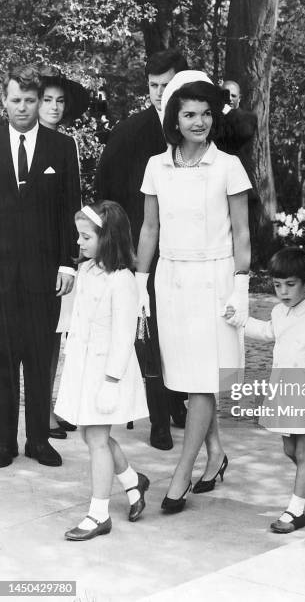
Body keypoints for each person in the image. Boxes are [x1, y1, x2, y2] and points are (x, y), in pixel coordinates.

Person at [136, 76, 251, 513]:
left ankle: (181, 473)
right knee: (187, 378)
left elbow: (242, 232)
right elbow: (150, 228)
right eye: (189, 114)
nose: (199, 122)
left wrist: (241, 285)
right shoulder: (156, 166)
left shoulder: (228, 166)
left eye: (206, 113)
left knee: (204, 382)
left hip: (216, 280)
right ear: (175, 120)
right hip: (171, 280)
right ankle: (216, 453)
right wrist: (138, 283)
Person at [95, 48, 189, 450]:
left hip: (187, 250)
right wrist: (117, 250)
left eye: (167, 86)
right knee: (146, 332)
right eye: (152, 86)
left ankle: (177, 401)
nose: (158, 93)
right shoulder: (130, 131)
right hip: (141, 251)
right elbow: (105, 193)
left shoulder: (196, 128)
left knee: (179, 330)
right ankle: (158, 421)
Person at [226, 247, 305, 533]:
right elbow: (268, 332)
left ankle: (295, 512)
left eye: (290, 284)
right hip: (286, 390)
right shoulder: (278, 311)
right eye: (277, 285)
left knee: (304, 453)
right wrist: (237, 319)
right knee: (290, 449)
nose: (283, 291)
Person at [0, 65, 80, 468]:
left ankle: (37, 439)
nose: (23, 108)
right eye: (16, 100)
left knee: (39, 355)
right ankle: (3, 442)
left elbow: (71, 208)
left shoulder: (61, 147)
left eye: (31, 100)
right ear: (5, 99)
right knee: (1, 356)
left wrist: (69, 264)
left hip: (45, 272)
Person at [55, 201, 150, 541]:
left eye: (85, 237)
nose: (78, 243)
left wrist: (111, 381)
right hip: (84, 366)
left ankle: (98, 514)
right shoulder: (88, 270)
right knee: (90, 434)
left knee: (96, 438)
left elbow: (124, 336)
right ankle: (131, 481)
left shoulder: (123, 280)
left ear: (107, 238)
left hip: (107, 371)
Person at [38, 66, 90, 440]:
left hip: (55, 249)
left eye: (59, 101)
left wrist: (72, 256)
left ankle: (47, 408)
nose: (53, 107)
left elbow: (73, 200)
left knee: (55, 331)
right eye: (46, 100)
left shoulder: (66, 144)